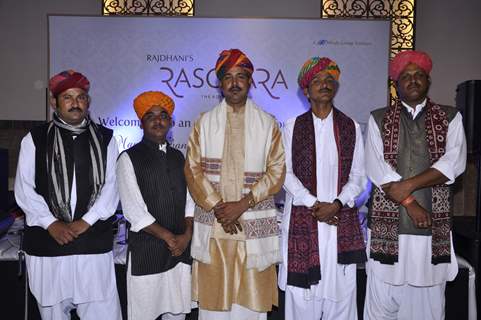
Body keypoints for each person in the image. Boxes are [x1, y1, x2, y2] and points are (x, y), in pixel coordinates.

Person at [364, 50, 467, 320]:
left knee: (427, 306)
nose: (412, 80)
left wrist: (407, 186)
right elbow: (377, 168)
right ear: (396, 84)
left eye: (418, 75)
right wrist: (411, 204)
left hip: (431, 229)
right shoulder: (378, 118)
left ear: (427, 80)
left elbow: (453, 164)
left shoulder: (451, 117)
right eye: (405, 76)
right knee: (382, 304)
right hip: (389, 229)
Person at [184, 48, 286, 320]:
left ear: (250, 81)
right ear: (220, 83)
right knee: (213, 310)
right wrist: (220, 208)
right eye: (227, 77)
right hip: (215, 230)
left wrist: (241, 205)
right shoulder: (204, 123)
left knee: (249, 310)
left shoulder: (268, 125)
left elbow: (276, 172)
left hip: (251, 228)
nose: (235, 83)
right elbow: (193, 169)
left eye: (241, 76)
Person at [14, 70, 121, 319]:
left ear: (88, 102)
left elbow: (113, 186)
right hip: (48, 244)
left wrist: (86, 221)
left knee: (102, 312)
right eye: (68, 97)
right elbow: (24, 188)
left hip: (92, 243)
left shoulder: (106, 138)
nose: (75, 103)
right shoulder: (35, 139)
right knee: (53, 313)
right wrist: (51, 224)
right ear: (54, 102)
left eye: (81, 97)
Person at [279, 57, 367, 319]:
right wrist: (314, 204)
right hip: (305, 219)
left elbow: (359, 176)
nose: (324, 84)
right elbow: (285, 172)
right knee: (302, 300)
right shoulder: (292, 127)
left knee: (341, 298)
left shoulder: (350, 126)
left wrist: (336, 204)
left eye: (329, 80)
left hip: (340, 221)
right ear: (306, 91)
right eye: (317, 80)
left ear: (336, 87)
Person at [117, 91, 194, 320]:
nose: (158, 120)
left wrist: (186, 236)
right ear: (141, 123)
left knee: (177, 313)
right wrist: (170, 238)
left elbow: (191, 201)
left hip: (179, 252)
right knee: (144, 313)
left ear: (170, 122)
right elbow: (134, 211)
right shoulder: (128, 158)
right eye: (150, 116)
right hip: (147, 252)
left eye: (163, 115)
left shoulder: (179, 157)